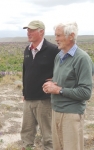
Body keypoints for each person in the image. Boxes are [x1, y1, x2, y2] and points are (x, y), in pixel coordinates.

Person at [43, 22, 94, 150]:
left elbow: (85, 92)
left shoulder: (82, 59)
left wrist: (59, 90)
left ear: (71, 36)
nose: (56, 39)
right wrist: (51, 84)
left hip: (71, 114)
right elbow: (61, 80)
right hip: (56, 111)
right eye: (55, 35)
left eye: (59, 35)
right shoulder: (58, 57)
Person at [21, 20, 60, 150]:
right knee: (26, 133)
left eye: (31, 30)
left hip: (45, 100)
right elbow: (25, 72)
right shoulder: (27, 49)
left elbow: (63, 69)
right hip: (28, 99)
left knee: (48, 136)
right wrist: (24, 92)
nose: (28, 33)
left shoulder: (53, 50)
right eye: (28, 30)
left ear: (41, 31)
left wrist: (56, 80)